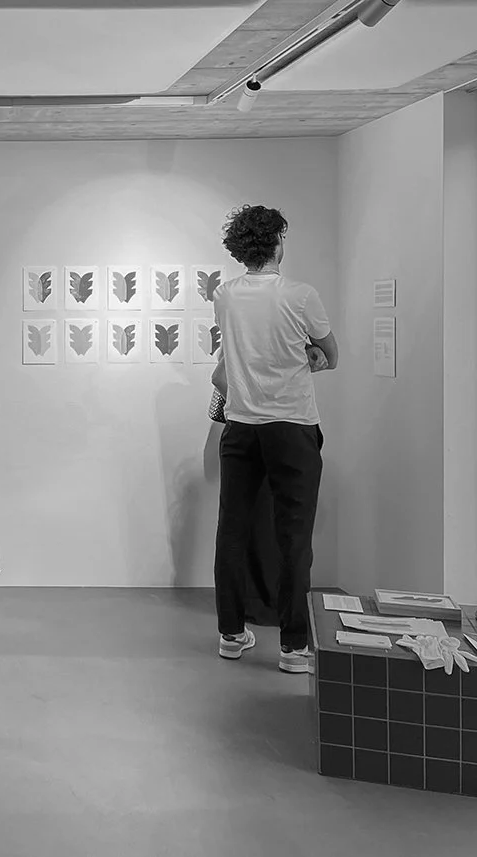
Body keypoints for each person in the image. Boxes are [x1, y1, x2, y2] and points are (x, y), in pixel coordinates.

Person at [211, 204, 337, 673]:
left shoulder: (224, 294)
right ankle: (293, 646)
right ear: (278, 241)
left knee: (232, 529)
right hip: (292, 426)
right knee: (294, 535)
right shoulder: (301, 295)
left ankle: (230, 633)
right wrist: (307, 352)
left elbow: (238, 348)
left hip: (241, 426)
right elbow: (332, 354)